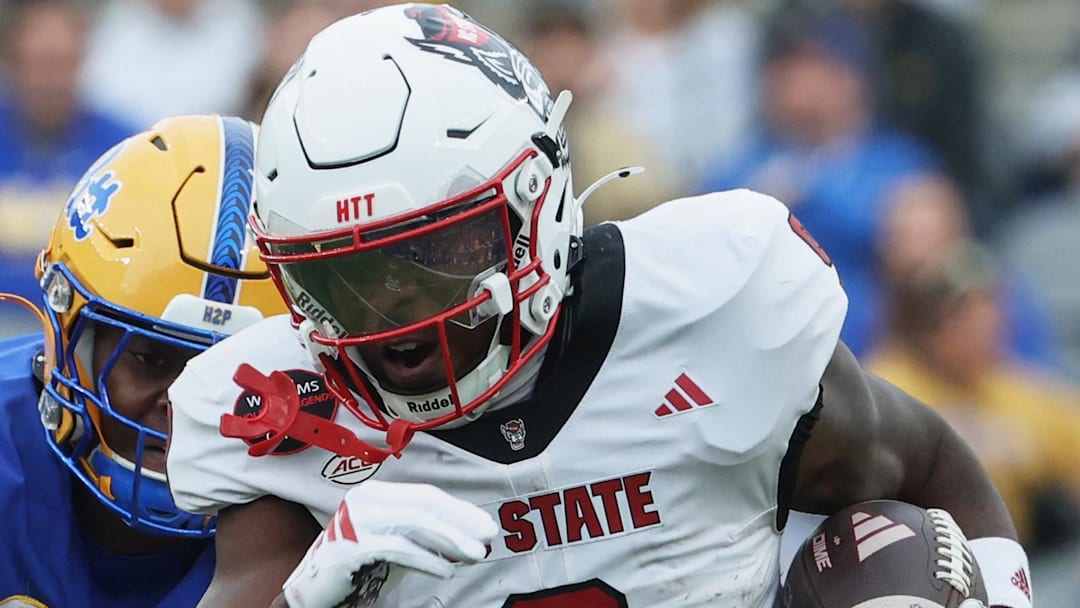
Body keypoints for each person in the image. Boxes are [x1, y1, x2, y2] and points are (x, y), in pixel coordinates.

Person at [165, 5, 1032, 608]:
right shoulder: (281, 409)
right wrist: (303, 598)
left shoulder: (708, 307)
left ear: (537, 201)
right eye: (347, 279)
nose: (398, 318)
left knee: (895, 562)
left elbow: (935, 470)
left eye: (436, 255)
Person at [0, 114, 287, 607]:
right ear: (72, 343)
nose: (186, 404)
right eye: (151, 357)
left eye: (233, 373)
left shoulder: (338, 510)